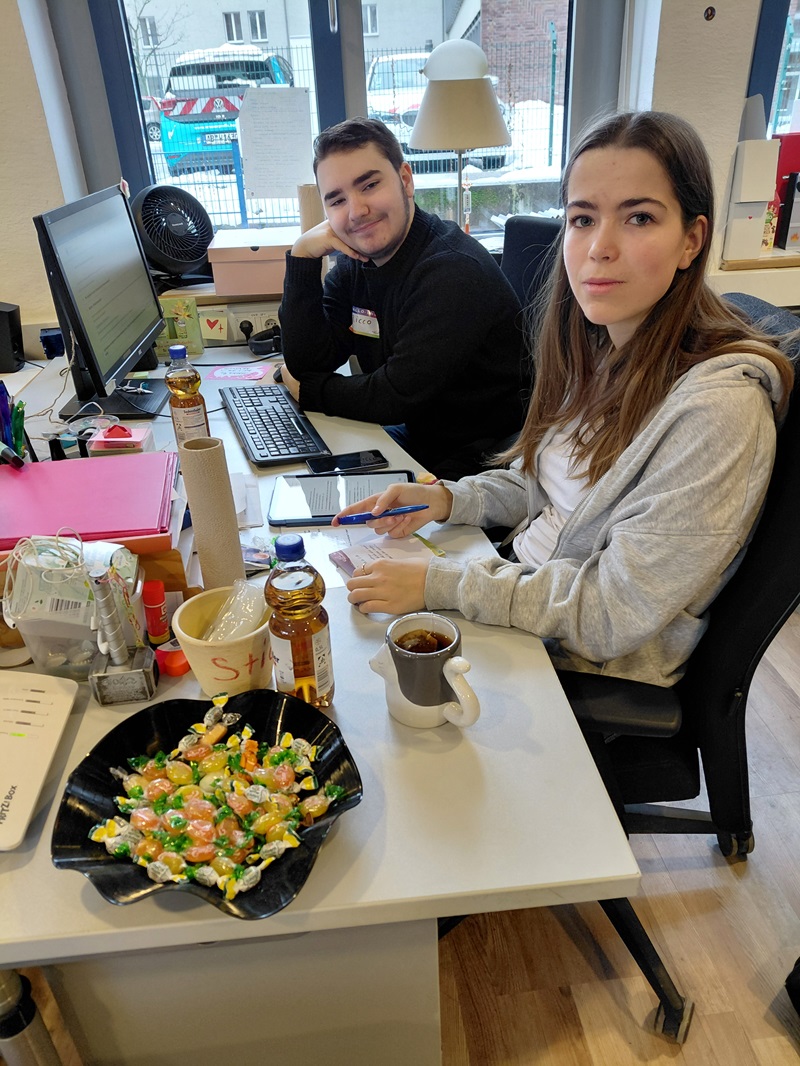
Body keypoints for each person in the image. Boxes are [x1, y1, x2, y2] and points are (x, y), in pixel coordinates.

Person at [335, 110, 796, 689]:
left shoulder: (718, 413)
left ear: (691, 240)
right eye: (583, 218)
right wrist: (448, 502)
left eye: (639, 217)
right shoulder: (605, 345)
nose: (599, 247)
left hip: (579, 665)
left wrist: (442, 584)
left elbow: (612, 612)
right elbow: (549, 485)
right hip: (520, 587)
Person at [278, 117, 526, 480]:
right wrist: (302, 256)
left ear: (405, 180)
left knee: (352, 516)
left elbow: (394, 395)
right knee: (306, 478)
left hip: (486, 460)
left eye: (370, 185)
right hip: (424, 436)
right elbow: (310, 360)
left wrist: (311, 392)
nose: (356, 211)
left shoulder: (451, 271)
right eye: (337, 200)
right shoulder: (356, 264)